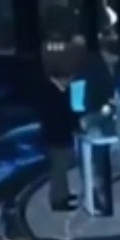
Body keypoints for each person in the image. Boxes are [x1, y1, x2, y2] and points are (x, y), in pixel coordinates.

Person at [28, 40, 86, 212]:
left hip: (61, 136)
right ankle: (58, 201)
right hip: (55, 137)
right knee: (58, 170)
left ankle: (64, 193)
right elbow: (57, 116)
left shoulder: (60, 92)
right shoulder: (50, 93)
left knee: (62, 168)